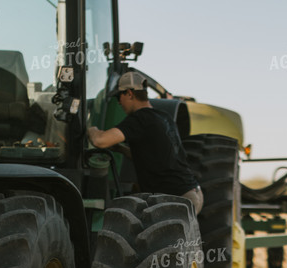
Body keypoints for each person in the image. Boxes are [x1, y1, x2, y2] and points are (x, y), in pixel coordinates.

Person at [87, 71, 204, 215]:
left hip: (176, 199)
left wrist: (90, 129)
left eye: (119, 96)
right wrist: (121, 149)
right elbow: (154, 155)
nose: (119, 102)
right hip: (191, 193)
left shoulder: (140, 119)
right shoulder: (163, 117)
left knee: (166, 238)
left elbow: (100, 141)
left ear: (129, 94)